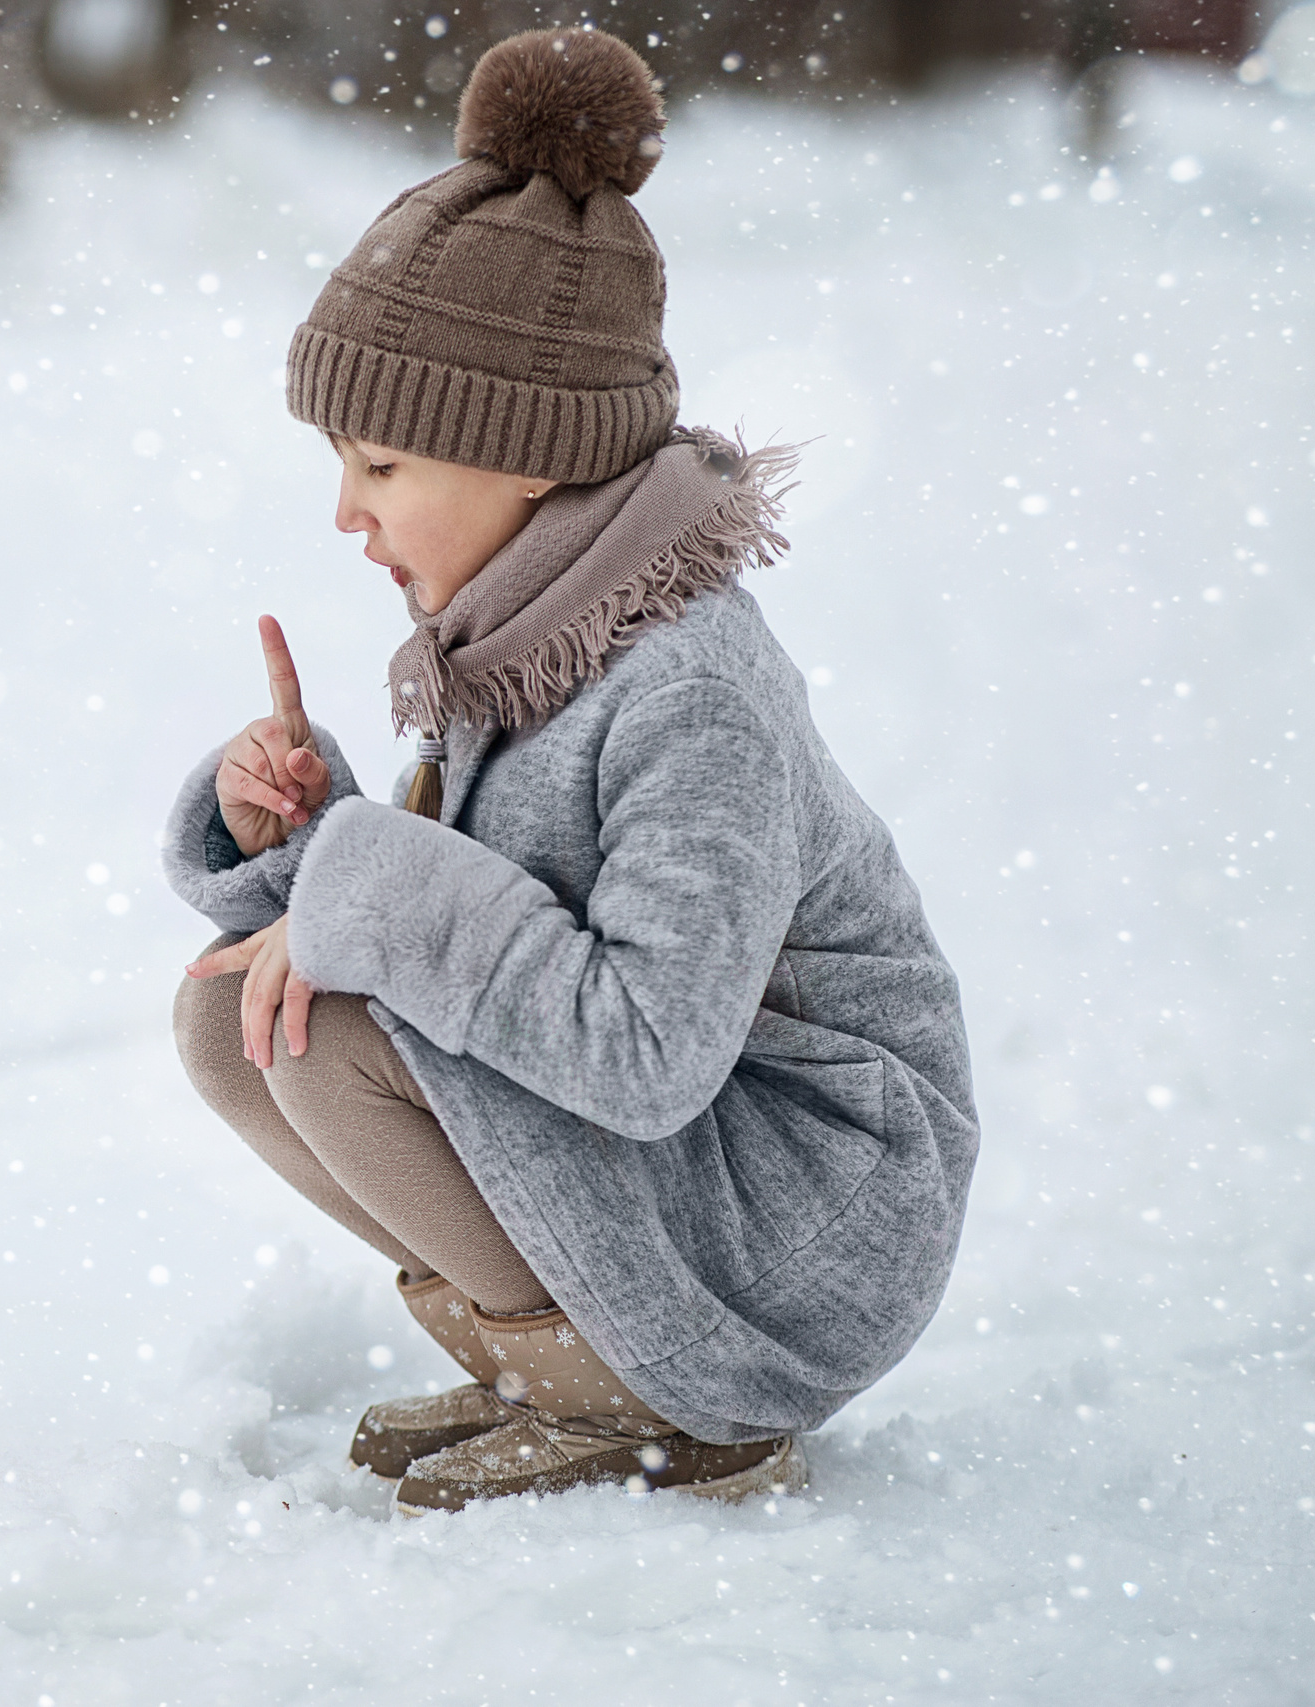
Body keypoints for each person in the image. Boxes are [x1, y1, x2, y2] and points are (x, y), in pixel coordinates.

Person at [164, 26, 978, 1514]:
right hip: (691, 1160)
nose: (346, 512)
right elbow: (476, 915)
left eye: (383, 465)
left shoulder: (686, 687)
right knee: (243, 1019)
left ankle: (678, 1407)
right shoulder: (526, 626)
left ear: (526, 453)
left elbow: (646, 1051)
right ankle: (562, 1367)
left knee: (332, 1031)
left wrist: (366, 883)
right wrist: (305, 829)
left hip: (800, 1205)